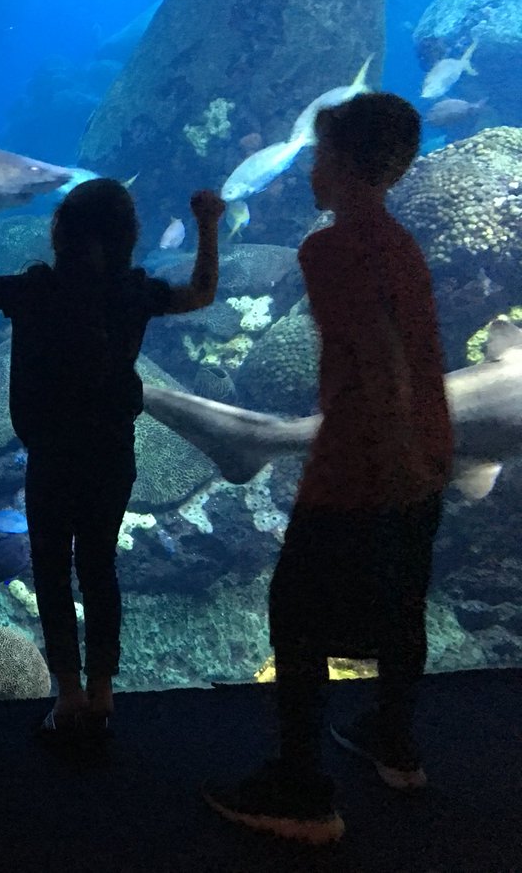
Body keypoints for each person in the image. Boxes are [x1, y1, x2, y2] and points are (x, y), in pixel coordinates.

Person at [202, 92, 453, 844]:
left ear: (340, 164)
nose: (309, 166)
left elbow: (377, 357)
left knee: (297, 617)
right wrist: (419, 457)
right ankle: (394, 743)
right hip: (429, 448)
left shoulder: (329, 249)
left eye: (317, 154)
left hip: (366, 460)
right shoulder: (400, 243)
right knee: (402, 603)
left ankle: (301, 790)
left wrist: (395, 459)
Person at [0, 170, 224, 739]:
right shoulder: (134, 292)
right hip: (112, 453)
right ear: (127, 237)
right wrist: (208, 226)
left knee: (50, 568)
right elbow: (202, 293)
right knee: (99, 568)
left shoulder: (35, 289)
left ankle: (68, 693)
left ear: (60, 233)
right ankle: (102, 691)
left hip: (50, 455)